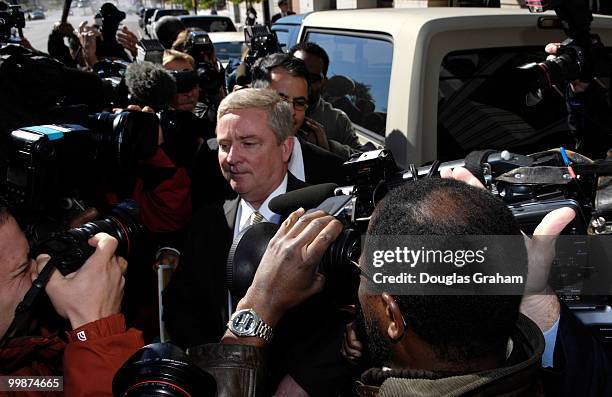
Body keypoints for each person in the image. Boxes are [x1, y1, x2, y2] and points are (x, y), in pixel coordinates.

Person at [163, 88, 351, 396]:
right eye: (224, 145)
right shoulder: (208, 220)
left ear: (285, 148)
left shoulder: (325, 216)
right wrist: (211, 371)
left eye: (248, 143)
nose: (232, 158)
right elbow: (179, 307)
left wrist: (305, 380)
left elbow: (349, 319)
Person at [0, 198, 143, 396]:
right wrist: (98, 334)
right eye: (22, 269)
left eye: (31, 253)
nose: (38, 271)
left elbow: (40, 386)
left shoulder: (11, 374)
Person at [251, 54, 348, 184]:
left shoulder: (332, 172)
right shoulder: (226, 162)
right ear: (254, 98)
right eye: (280, 100)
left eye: (299, 103)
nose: (291, 111)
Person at [289, 42, 364, 156]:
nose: (305, 84)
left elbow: (363, 159)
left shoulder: (338, 121)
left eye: (313, 79)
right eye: (299, 75)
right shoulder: (265, 110)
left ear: (323, 82)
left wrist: (328, 147)